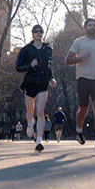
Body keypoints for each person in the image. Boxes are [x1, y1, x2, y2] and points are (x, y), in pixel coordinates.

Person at [66, 18, 95, 148]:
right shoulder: (79, 42)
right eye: (89, 25)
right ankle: (79, 129)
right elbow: (68, 60)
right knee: (83, 109)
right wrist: (79, 59)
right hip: (83, 79)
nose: (92, 27)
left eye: (94, 25)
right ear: (85, 28)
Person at [16, 24, 57, 152]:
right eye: (36, 31)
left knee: (40, 111)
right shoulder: (26, 49)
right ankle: (29, 123)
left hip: (43, 82)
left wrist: (51, 78)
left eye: (40, 31)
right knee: (30, 111)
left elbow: (48, 66)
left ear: (43, 34)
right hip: (30, 82)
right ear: (33, 34)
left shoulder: (48, 49)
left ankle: (39, 141)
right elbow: (18, 67)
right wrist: (30, 65)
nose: (38, 33)